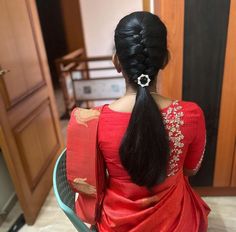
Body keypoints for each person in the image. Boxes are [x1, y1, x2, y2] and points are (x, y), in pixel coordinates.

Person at [67, 11, 210, 232]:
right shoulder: (191, 115)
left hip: (117, 223)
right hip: (177, 221)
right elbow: (191, 171)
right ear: (165, 59)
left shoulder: (91, 122)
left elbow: (91, 183)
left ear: (116, 62)